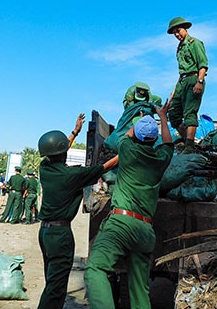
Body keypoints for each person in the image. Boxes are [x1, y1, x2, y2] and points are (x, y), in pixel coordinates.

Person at [84, 101, 174, 309]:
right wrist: (162, 116)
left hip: (121, 225)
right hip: (145, 232)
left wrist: (140, 116)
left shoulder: (127, 149)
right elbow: (169, 143)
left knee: (95, 269)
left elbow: (121, 135)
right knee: (139, 289)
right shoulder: (161, 158)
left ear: (136, 135)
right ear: (154, 140)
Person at [37, 113, 119, 309]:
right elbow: (105, 166)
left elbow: (60, 149)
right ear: (64, 152)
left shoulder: (44, 168)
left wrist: (75, 132)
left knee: (52, 281)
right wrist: (126, 151)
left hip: (45, 233)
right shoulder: (71, 176)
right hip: (60, 236)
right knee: (56, 288)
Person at [167, 16, 209, 154]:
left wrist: (200, 82)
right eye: (174, 34)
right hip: (182, 82)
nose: (177, 35)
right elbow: (181, 73)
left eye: (178, 31)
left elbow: (203, 65)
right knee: (173, 113)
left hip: (194, 79)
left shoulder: (194, 43)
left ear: (185, 29)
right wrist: (174, 91)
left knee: (190, 112)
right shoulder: (179, 48)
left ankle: (189, 146)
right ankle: (187, 141)